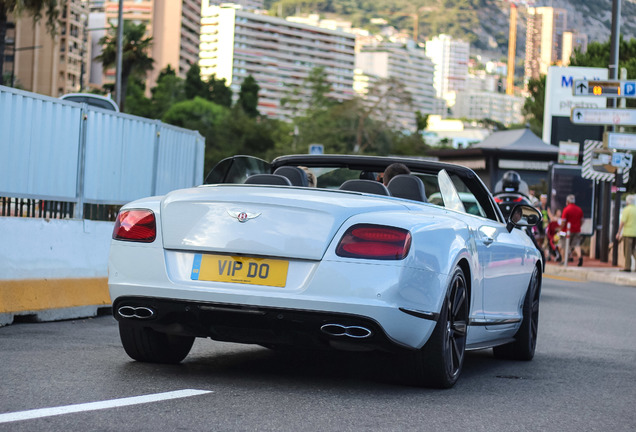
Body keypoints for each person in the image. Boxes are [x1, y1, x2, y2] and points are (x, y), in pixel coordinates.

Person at [561, 194, 584, 267]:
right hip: (577, 230)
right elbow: (582, 220)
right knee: (576, 245)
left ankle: (564, 260)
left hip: (567, 231)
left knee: (564, 245)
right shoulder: (579, 209)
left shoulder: (566, 209)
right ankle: (580, 257)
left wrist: (560, 228)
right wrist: (578, 226)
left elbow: (563, 221)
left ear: (567, 201)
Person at [616, 194, 636, 272]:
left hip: (628, 233)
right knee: (633, 250)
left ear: (627, 202)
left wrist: (618, 232)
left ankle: (627, 267)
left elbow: (622, 222)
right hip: (635, 233)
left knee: (627, 251)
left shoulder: (626, 209)